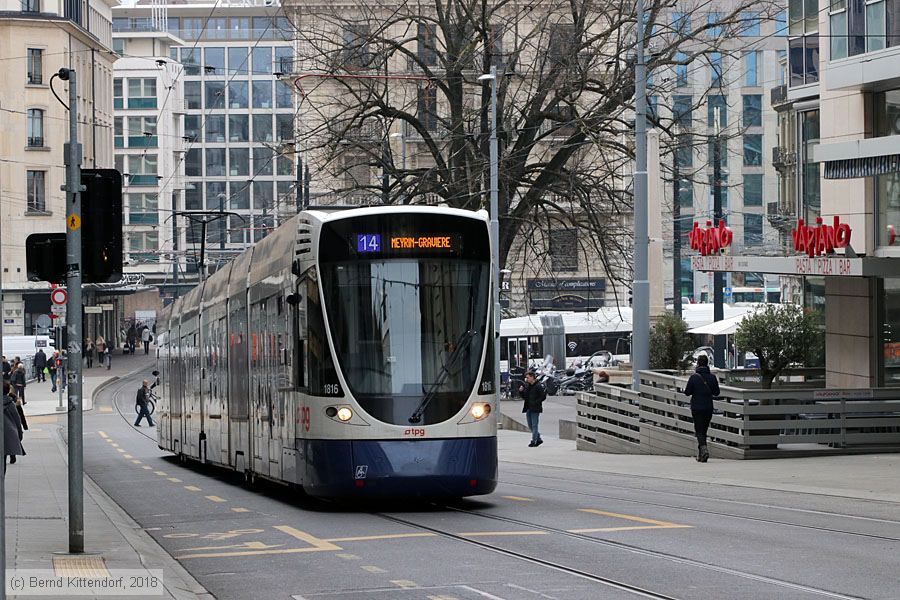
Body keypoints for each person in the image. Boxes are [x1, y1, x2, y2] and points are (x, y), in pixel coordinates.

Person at [683, 354, 720, 463]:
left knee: (699, 430)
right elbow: (716, 393)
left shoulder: (694, 377)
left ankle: (703, 449)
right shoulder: (712, 377)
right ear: (707, 363)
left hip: (697, 407)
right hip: (708, 407)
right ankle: (701, 454)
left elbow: (687, 392)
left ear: (698, 364)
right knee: (704, 429)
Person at [519, 370, 547, 447]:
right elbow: (525, 396)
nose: (526, 379)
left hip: (535, 408)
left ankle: (534, 441)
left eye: (528, 377)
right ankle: (538, 438)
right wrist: (521, 392)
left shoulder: (538, 386)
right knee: (530, 425)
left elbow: (543, 396)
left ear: (532, 377)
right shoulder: (527, 386)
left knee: (534, 425)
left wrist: (536, 402)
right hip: (528, 407)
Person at [2, 383, 25, 472]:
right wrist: (20, 434)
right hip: (7, 435)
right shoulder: (10, 403)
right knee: (3, 458)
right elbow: (17, 420)